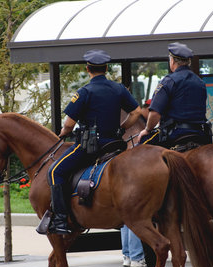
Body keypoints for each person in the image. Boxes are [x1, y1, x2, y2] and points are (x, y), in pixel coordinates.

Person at [37, 49, 142, 235]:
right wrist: (122, 128)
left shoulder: (84, 92)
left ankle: (60, 219)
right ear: (106, 68)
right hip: (114, 145)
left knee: (55, 171)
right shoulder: (118, 89)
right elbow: (136, 112)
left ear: (88, 69)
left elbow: (69, 125)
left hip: (90, 147)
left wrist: (62, 134)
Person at [137, 42, 212, 147]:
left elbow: (155, 113)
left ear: (172, 61)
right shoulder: (200, 82)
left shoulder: (169, 81)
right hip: (200, 134)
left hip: (175, 135)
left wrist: (147, 130)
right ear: (188, 62)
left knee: (140, 146)